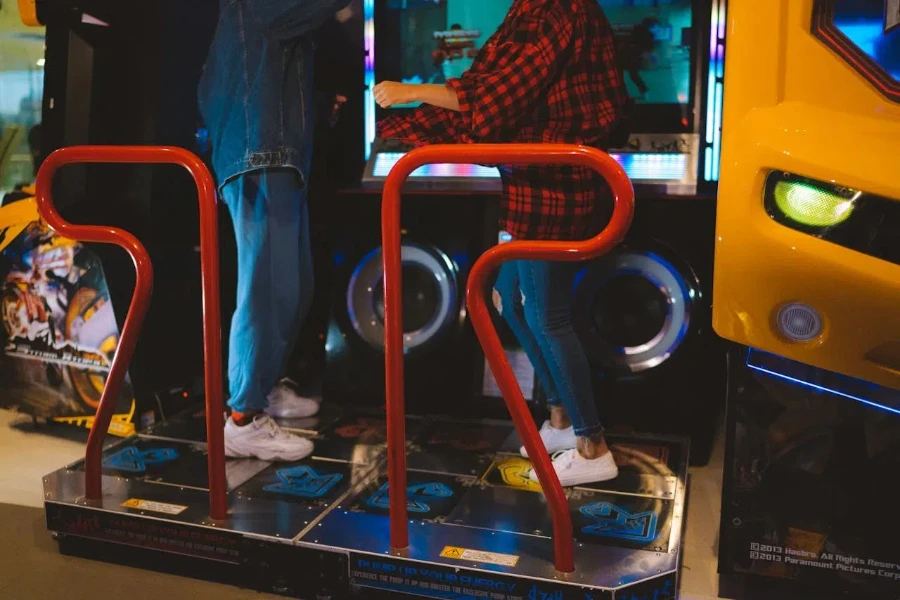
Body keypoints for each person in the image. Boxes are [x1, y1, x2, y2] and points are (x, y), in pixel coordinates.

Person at [373, 0, 628, 486]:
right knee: (510, 302)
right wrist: (398, 125)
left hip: (553, 183)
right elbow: (486, 91)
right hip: (532, 180)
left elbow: (491, 99)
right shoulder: (532, 9)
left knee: (546, 317)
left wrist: (409, 93)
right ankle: (559, 421)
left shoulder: (552, 11)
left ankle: (592, 446)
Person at [198, 0, 351, 462]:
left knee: (293, 287)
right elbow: (286, 18)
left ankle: (260, 391)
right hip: (259, 152)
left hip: (274, 152)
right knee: (268, 289)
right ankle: (242, 417)